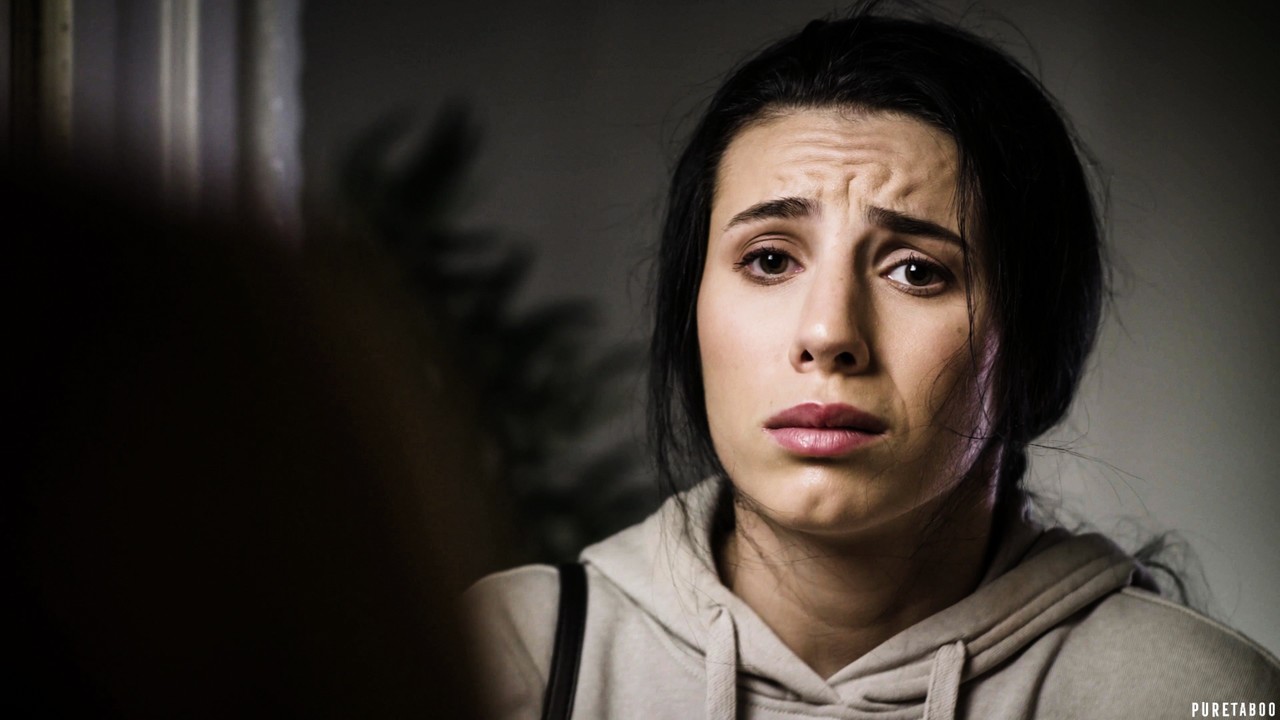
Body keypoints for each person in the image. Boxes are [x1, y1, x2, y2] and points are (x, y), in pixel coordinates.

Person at [467, 6, 1280, 719]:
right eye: (770, 260)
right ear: (692, 310)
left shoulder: (1195, 697)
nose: (828, 333)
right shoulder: (508, 660)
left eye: (917, 271)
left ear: (1032, 339)